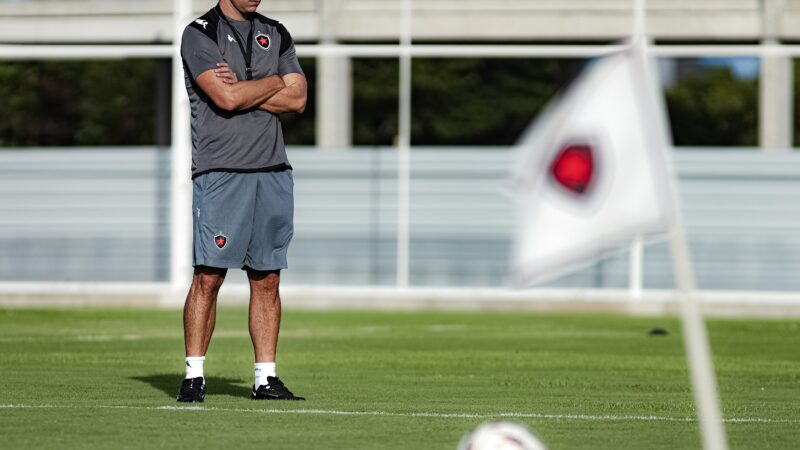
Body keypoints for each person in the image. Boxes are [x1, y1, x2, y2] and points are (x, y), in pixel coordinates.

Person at [176, 0, 307, 403]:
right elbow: (226, 99)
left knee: (267, 278)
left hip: (273, 172)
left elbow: (298, 100)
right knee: (209, 276)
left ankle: (265, 378)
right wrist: (273, 82)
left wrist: (247, 86)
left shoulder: (276, 31)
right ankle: (194, 375)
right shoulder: (199, 32)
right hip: (221, 172)